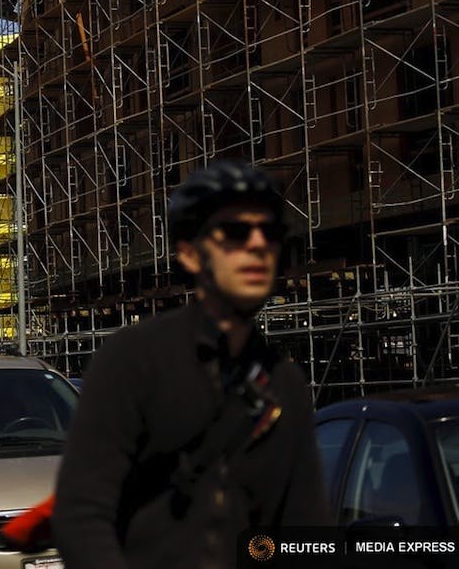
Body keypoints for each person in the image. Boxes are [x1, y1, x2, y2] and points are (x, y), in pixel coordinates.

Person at [50, 159, 330, 569]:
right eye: (235, 232)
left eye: (269, 232)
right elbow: (81, 514)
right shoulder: (132, 360)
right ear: (190, 254)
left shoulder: (284, 382)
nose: (257, 245)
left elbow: (305, 530)